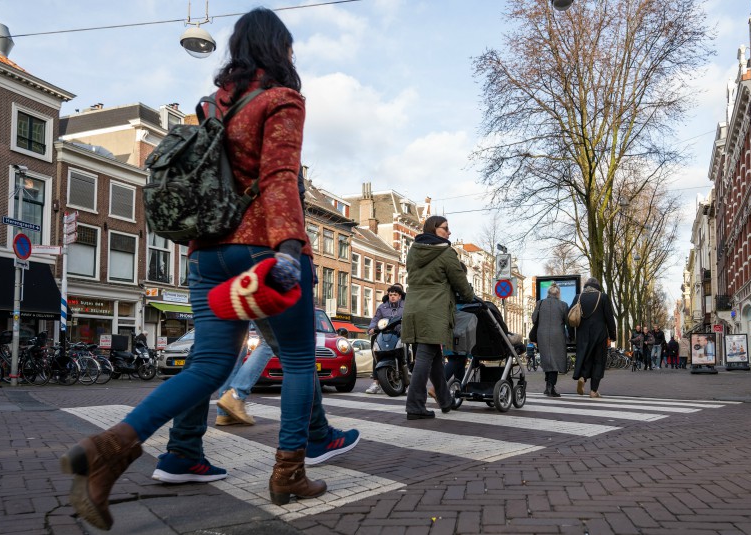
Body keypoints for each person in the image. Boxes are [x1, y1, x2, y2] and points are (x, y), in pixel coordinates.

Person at [60, 9, 358, 530]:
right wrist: (290, 245)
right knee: (294, 358)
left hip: (205, 253)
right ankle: (288, 472)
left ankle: (111, 448)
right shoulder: (281, 100)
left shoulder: (209, 106)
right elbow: (280, 176)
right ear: (280, 50)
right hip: (262, 249)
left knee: (207, 366)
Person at [402, 215, 474, 420]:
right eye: (445, 228)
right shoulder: (446, 252)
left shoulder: (413, 251)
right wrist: (469, 296)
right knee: (425, 357)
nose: (449, 232)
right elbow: (459, 281)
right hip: (434, 311)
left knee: (433, 358)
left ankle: (444, 400)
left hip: (413, 309)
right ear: (434, 229)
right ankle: (414, 405)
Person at [570, 277, 616, 398]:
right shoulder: (603, 297)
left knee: (586, 358)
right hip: (599, 334)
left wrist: (571, 335)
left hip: (582, 334)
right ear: (597, 287)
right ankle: (593, 391)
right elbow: (609, 318)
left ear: (586, 286)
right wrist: (612, 335)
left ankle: (583, 377)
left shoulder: (578, 297)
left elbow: (569, 316)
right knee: (598, 361)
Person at [365, 284, 405, 394]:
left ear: (400, 296)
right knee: (376, 351)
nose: (392, 297)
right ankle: (376, 382)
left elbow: (411, 317)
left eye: (395, 295)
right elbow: (375, 319)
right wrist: (372, 328)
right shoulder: (382, 307)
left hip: (401, 333)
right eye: (390, 295)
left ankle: (411, 377)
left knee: (410, 350)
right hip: (385, 334)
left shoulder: (405, 306)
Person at [532, 283, 569, 397]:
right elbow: (568, 322)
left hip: (542, 335)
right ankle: (551, 387)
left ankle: (548, 385)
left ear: (548, 293)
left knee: (547, 359)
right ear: (558, 294)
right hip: (557, 335)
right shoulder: (563, 305)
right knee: (555, 361)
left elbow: (534, 319)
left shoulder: (540, 303)